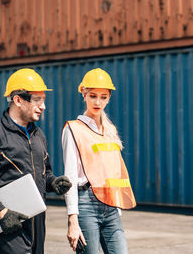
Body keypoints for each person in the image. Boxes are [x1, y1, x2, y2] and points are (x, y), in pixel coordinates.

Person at [0, 68, 72, 254]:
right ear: (18, 100)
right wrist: (2, 213)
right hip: (7, 222)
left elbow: (42, 173)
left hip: (37, 220)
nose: (43, 106)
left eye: (43, 100)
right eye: (37, 100)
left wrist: (53, 182)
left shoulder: (39, 136)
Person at [62, 68, 136, 254]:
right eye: (93, 95)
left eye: (103, 97)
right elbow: (70, 176)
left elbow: (112, 172)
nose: (97, 102)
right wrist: (73, 220)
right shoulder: (73, 129)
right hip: (85, 204)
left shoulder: (109, 129)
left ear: (109, 98)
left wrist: (117, 208)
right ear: (84, 95)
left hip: (110, 205)